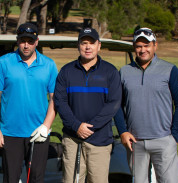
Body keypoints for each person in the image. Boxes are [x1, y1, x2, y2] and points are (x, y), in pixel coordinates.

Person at [114, 27, 178, 183]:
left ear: (155, 45)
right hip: (135, 142)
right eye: (139, 46)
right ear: (134, 47)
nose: (143, 50)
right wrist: (123, 131)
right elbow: (117, 105)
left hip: (164, 140)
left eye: (147, 45)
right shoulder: (124, 72)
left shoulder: (170, 70)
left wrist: (175, 136)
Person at [0, 23, 58, 183]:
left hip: (38, 133)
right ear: (17, 40)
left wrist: (45, 126)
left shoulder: (48, 65)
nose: (26, 45)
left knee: (36, 178)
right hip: (10, 132)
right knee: (10, 178)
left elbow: (55, 98)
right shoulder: (4, 62)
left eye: (30, 41)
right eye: (22, 40)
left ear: (37, 41)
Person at [54, 28, 122, 183]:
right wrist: (76, 125)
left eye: (92, 43)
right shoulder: (66, 71)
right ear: (78, 46)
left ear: (99, 45)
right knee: (70, 180)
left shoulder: (110, 72)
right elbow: (60, 101)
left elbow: (114, 103)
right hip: (72, 139)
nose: (88, 47)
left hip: (100, 140)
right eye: (84, 43)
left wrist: (90, 127)